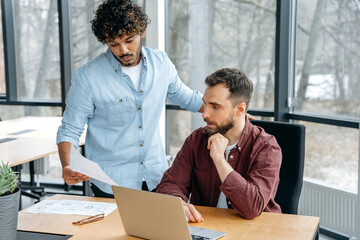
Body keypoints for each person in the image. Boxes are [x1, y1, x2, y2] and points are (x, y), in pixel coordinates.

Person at [56, 0, 204, 197]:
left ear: (141, 31)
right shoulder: (87, 77)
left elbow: (188, 98)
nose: (123, 50)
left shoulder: (161, 63)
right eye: (114, 44)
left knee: (157, 228)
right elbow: (70, 130)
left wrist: (232, 114)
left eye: (129, 39)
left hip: (155, 177)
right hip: (112, 183)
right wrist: (67, 164)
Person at [156, 68, 282, 221]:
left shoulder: (267, 147)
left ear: (240, 109)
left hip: (255, 231)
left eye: (215, 106)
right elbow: (170, 183)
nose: (205, 114)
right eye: (205, 104)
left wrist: (219, 160)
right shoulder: (197, 139)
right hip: (207, 227)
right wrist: (178, 202)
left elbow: (252, 208)